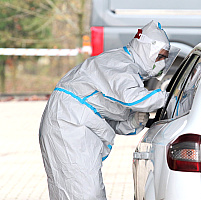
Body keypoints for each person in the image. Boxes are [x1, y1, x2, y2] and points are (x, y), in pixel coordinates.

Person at [39, 20, 179, 200]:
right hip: (67, 124)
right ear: (147, 49)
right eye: (160, 56)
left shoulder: (128, 70)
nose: (162, 62)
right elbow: (134, 98)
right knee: (84, 192)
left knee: (75, 189)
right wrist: (168, 97)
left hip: (72, 123)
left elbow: (109, 118)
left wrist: (133, 122)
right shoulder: (120, 64)